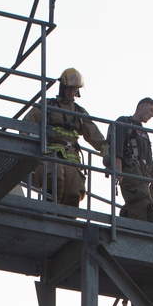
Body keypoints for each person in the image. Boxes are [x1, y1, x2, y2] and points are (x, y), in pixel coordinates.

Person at [28, 67, 107, 208]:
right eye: (70, 89)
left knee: (74, 192)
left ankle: (67, 225)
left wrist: (108, 153)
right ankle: (48, 213)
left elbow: (94, 135)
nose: (73, 93)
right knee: (55, 178)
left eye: (75, 90)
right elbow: (28, 122)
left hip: (72, 160)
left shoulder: (79, 112)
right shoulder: (48, 105)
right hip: (51, 155)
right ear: (62, 87)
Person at [106, 97, 153, 222]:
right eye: (150, 110)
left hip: (144, 174)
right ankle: (138, 236)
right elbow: (117, 148)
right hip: (130, 171)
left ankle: (124, 223)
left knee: (139, 207)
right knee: (145, 209)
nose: (152, 115)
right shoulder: (123, 122)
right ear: (141, 107)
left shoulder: (144, 132)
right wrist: (118, 170)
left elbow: (149, 157)